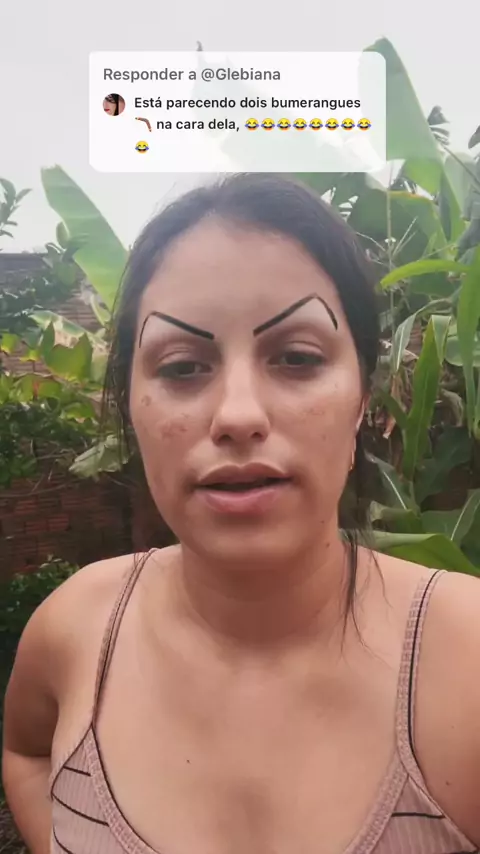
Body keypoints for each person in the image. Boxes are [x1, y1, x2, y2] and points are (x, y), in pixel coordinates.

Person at [2, 173, 480, 854]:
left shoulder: (467, 662)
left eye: (297, 357)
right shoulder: (75, 626)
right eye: (182, 367)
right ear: (131, 406)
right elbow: (25, 752)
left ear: (362, 401)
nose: (237, 415)